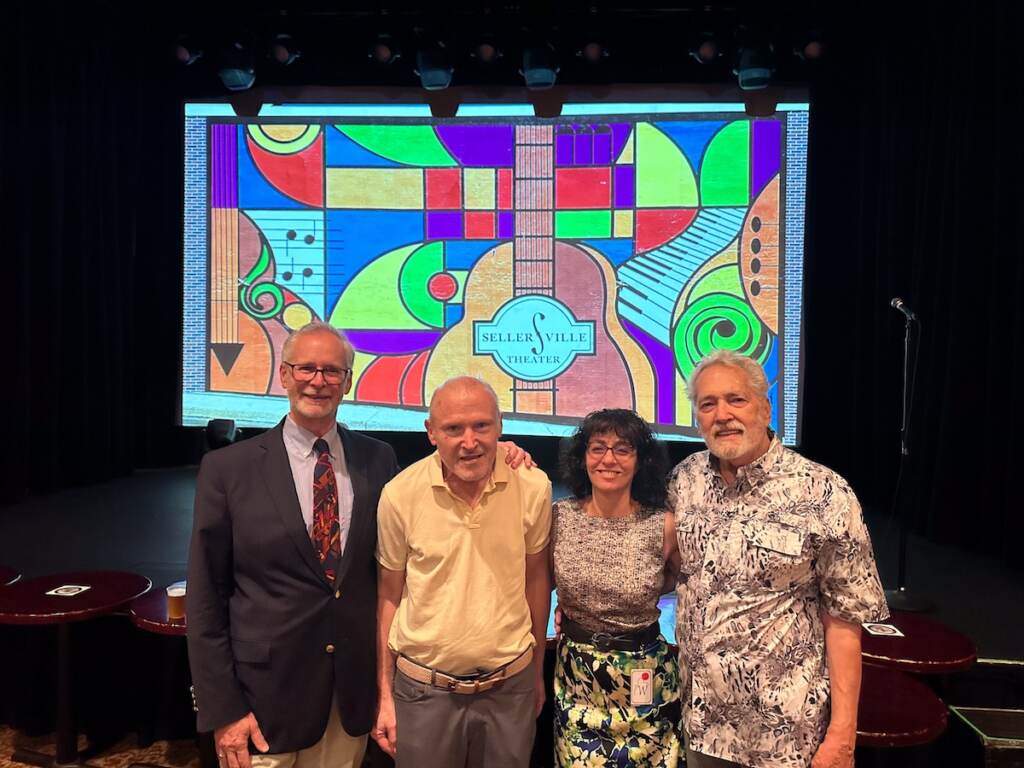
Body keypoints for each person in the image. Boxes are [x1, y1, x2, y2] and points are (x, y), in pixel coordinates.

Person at [187, 323, 532, 768]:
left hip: (348, 700)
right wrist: (224, 708)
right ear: (285, 375)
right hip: (263, 705)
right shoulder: (227, 469)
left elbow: (441, 473)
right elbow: (205, 598)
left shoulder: (378, 459)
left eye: (332, 370)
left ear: (348, 381)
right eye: (306, 368)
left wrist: (496, 450)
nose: (318, 380)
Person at [669, 350, 889, 768]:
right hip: (703, 726)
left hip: (787, 737)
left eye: (736, 399)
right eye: (708, 403)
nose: (722, 415)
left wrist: (843, 735)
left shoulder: (824, 493)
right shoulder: (685, 480)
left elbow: (846, 622)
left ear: (765, 407)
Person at [373, 376, 552, 768]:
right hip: (424, 694)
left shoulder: (534, 486)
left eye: (482, 426)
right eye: (454, 428)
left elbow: (537, 581)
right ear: (431, 432)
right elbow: (389, 595)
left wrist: (537, 672)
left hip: (510, 689)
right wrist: (385, 695)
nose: (469, 442)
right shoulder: (400, 494)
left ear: (500, 426)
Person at [551, 409, 682, 767]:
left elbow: (682, 583)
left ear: (640, 462)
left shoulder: (664, 525)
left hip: (646, 683)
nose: (609, 459)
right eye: (598, 448)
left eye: (623, 449)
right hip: (578, 681)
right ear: (583, 459)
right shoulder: (558, 518)